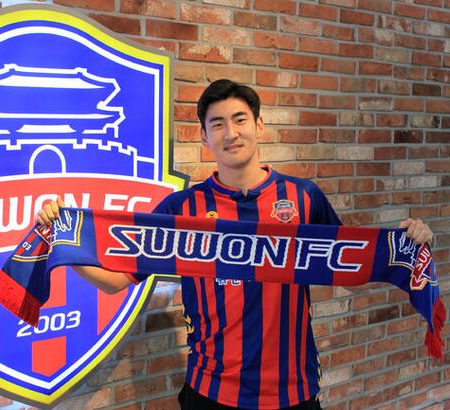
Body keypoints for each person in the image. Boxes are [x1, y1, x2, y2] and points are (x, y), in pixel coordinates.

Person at [36, 79, 433, 409]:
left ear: (259, 125)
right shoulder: (180, 210)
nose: (231, 133)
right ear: (204, 136)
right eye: (218, 124)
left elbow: (348, 275)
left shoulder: (304, 197)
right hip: (210, 392)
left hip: (293, 392)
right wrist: (63, 241)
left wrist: (410, 245)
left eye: (240, 120)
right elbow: (116, 280)